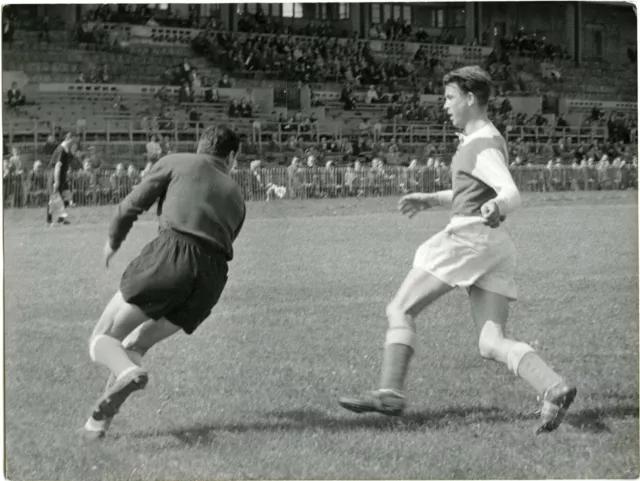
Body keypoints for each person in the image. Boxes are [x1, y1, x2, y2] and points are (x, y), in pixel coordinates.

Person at [338, 66, 576, 434]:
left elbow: (510, 193)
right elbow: (473, 194)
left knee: (400, 308)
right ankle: (552, 386)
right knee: (490, 342)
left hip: (469, 239)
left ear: (469, 99)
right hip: (493, 246)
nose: (445, 105)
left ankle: (389, 391)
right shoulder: (485, 139)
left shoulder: (481, 145)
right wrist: (431, 198)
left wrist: (497, 207)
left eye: (449, 97)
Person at [78, 125, 246, 441]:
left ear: (200, 147)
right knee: (135, 346)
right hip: (211, 279)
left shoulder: (177, 162)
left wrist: (113, 241)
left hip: (172, 256)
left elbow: (132, 204)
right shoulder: (237, 194)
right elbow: (227, 237)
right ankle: (96, 425)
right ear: (232, 156)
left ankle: (129, 373)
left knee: (101, 340)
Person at [47, 132, 76, 226]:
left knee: (67, 197)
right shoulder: (61, 150)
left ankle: (61, 219)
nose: (74, 143)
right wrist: (56, 181)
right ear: (69, 139)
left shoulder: (66, 150)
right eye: (73, 140)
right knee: (53, 200)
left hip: (61, 177)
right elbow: (57, 166)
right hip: (55, 176)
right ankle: (49, 221)